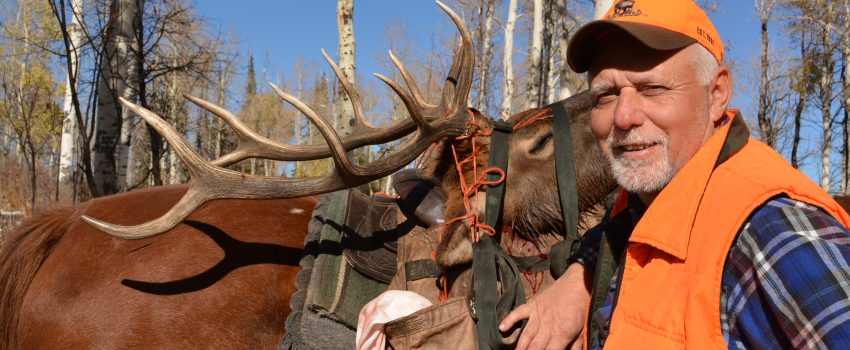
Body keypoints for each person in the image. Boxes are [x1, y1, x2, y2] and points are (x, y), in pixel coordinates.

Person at [499, 0, 850, 349]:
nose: (623, 117)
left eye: (653, 88)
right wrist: (582, 274)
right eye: (605, 95)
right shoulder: (647, 203)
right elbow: (626, 227)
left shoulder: (771, 235)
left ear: (716, 95)